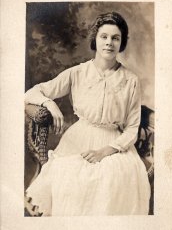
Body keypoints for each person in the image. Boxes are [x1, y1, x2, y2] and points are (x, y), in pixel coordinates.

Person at [25, 11, 151, 216]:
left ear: (121, 43)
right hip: (79, 138)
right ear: (95, 39)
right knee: (71, 177)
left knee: (111, 179)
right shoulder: (77, 73)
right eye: (104, 37)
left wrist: (105, 151)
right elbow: (31, 93)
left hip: (114, 143)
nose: (109, 43)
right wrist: (50, 103)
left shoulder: (131, 80)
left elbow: (132, 128)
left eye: (115, 38)